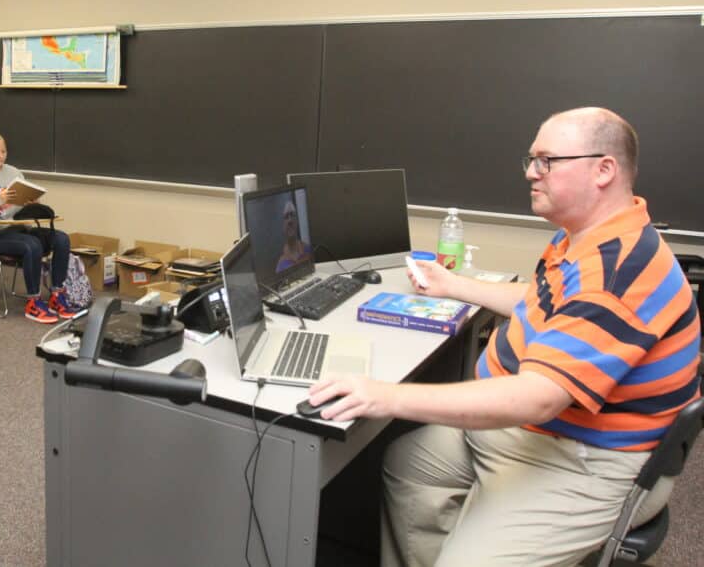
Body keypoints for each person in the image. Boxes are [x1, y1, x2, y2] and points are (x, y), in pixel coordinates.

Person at [305, 107, 701, 566]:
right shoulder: (585, 236)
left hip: (587, 458)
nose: (532, 174)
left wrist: (384, 397)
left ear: (604, 170)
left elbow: (537, 398)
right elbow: (544, 300)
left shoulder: (618, 272)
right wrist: (453, 286)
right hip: (538, 432)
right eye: (531, 160)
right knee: (409, 464)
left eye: (546, 161)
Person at [0, 126, 77, 324]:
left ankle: (57, 295)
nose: (1, 156)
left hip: (17, 229)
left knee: (61, 238)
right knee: (32, 245)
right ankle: (33, 302)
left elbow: (21, 207)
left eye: (4, 151)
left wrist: (31, 202)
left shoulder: (13, 172)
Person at [275, 199, 312, 272]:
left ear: (297, 221)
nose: (290, 220)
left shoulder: (309, 250)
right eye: (286, 217)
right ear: (282, 226)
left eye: (292, 215)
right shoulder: (280, 266)